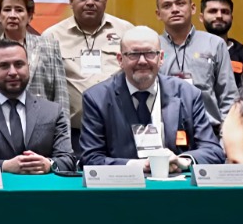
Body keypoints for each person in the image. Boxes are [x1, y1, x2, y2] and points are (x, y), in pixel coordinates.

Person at [79, 26, 224, 172]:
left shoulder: (188, 94)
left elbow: (213, 151)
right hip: (122, 188)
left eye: (149, 53)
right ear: (120, 59)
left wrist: (182, 161)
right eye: (133, 54)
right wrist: (138, 166)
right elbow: (91, 158)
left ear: (161, 58)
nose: (142, 61)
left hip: (175, 185)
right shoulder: (97, 98)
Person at [0, 39, 75, 173]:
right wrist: (5, 166)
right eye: (4, 66)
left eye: (19, 64)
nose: (13, 72)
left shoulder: (53, 111)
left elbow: (68, 159)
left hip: (43, 190)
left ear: (28, 67)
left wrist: (49, 164)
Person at [44, 0, 131, 139]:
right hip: (73, 132)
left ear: (106, 0)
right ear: (71, 1)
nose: (90, 2)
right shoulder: (51, 37)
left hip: (120, 128)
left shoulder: (126, 31)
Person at [0, 0, 68, 113]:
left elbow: (61, 98)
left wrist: (63, 132)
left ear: (30, 16)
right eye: (7, 9)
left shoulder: (50, 48)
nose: (12, 15)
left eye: (19, 9)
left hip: (43, 127)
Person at [154, 0, 237, 125]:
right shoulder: (152, 46)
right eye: (167, 6)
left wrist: (224, 135)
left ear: (192, 8)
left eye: (180, 4)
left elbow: (228, 95)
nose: (175, 10)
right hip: (165, 132)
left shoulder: (215, 44)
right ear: (158, 14)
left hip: (209, 131)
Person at [200, 0, 243, 79]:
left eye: (225, 12)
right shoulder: (191, 50)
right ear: (201, 18)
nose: (219, 16)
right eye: (213, 11)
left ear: (231, 18)